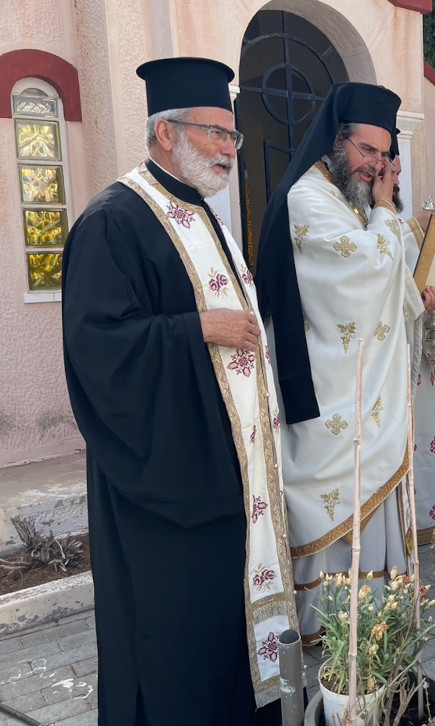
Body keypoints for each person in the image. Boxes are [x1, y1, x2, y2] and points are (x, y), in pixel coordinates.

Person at [62, 57, 296, 725]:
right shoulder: (115, 220)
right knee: (175, 657)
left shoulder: (204, 216)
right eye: (215, 133)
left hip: (228, 487)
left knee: (227, 653)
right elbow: (98, 350)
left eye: (233, 137)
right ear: (165, 133)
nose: (229, 149)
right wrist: (198, 327)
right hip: (165, 500)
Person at [255, 83, 435, 641]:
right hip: (327, 387)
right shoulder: (308, 199)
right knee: (332, 498)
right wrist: (387, 212)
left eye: (385, 156)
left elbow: (391, 278)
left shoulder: (354, 201)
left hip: (364, 389)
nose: (377, 166)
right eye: (366, 152)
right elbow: (362, 275)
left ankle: (373, 622)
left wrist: (418, 290)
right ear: (337, 142)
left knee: (368, 494)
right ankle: (332, 627)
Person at [390, 152, 435, 544]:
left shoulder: (395, 222)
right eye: (391, 171)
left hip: (415, 353)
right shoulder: (360, 219)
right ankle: (396, 527)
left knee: (425, 434)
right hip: (388, 357)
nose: (397, 180)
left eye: (397, 171)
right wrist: (418, 227)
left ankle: (425, 517)